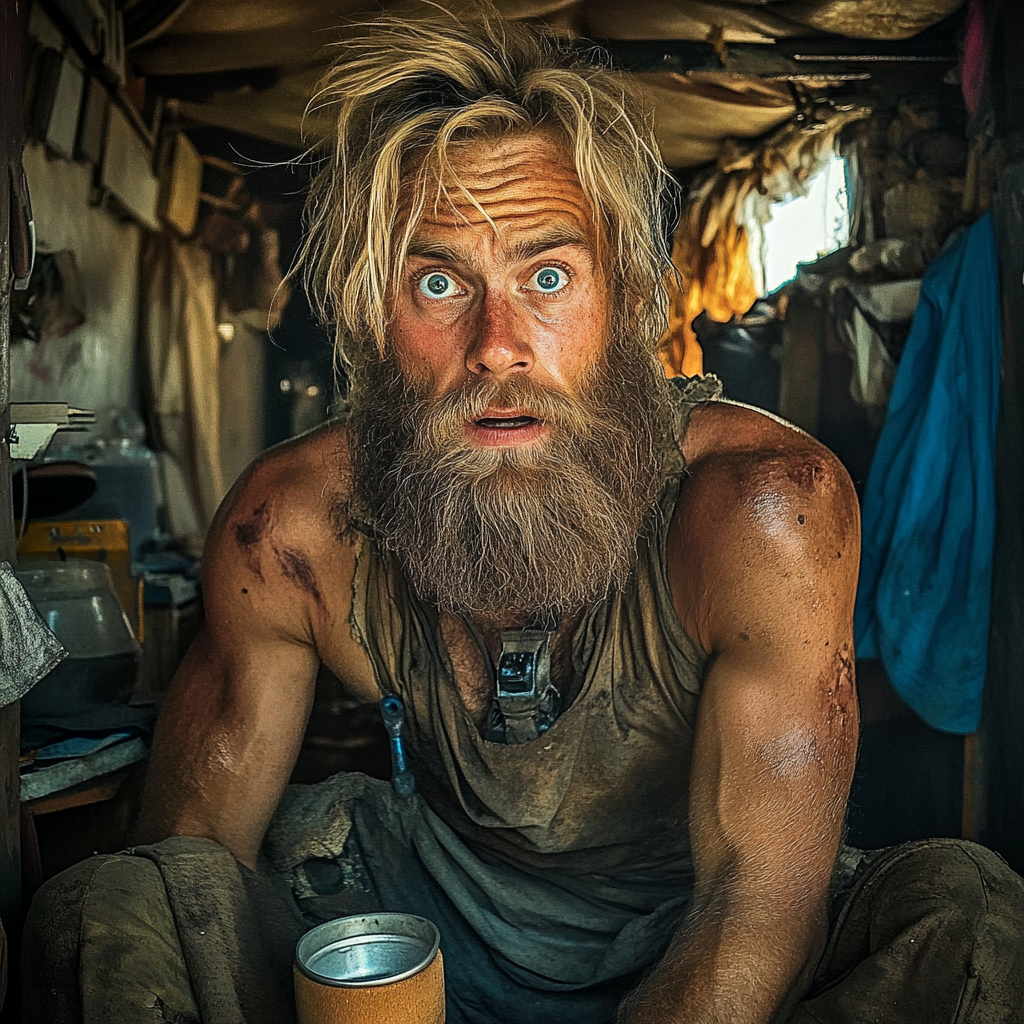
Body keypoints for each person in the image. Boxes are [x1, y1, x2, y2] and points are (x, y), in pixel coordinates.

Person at [23, 12, 1024, 1024]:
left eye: (547, 277)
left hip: (688, 927)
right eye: (438, 280)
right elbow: (196, 865)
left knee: (968, 918)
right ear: (372, 315)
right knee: (109, 907)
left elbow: (757, 906)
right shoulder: (291, 531)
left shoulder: (764, 508)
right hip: (428, 910)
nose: (497, 343)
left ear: (625, 302)